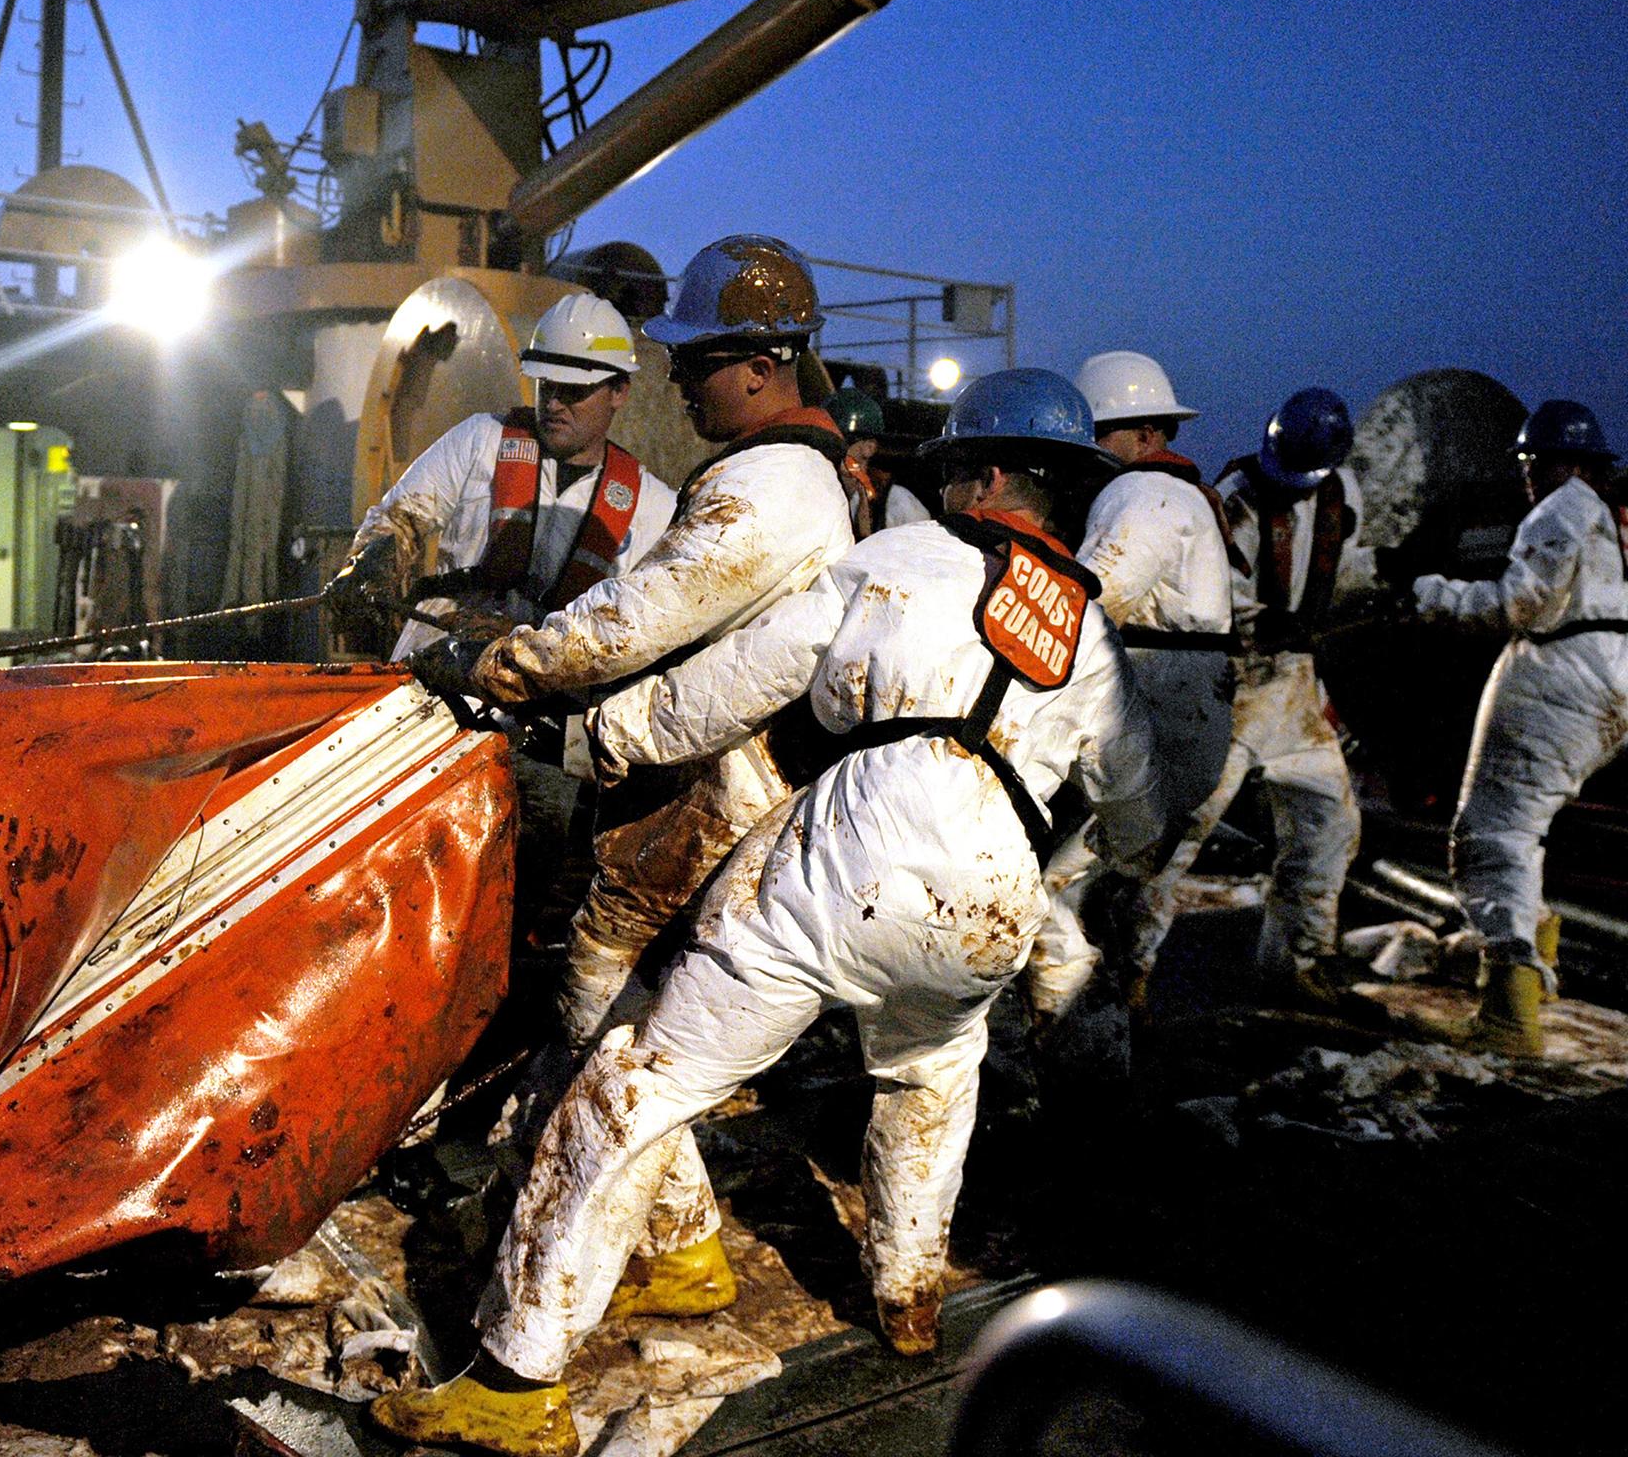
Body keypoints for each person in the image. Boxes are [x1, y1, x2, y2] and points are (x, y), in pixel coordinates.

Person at [372, 369, 1161, 1456]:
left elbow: (732, 686)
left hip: (847, 863)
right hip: (993, 889)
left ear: (972, 473)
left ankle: (512, 1386)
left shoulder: (895, 559)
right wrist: (1096, 860)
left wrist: (594, 740)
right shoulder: (1088, 630)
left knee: (631, 1089)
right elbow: (1135, 805)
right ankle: (905, 1304)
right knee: (929, 1080)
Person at [410, 231, 854, 1296]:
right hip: (704, 774)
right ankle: (681, 1236)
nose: (677, 380)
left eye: (696, 363)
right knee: (624, 1022)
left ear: (762, 364)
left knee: (601, 1010)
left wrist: (497, 660)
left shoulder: (770, 488)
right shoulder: (783, 476)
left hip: (720, 786)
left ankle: (602, 1265)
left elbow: (631, 619)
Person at [1404, 400, 1627, 1053]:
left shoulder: (1565, 507)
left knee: (1493, 834)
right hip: (1615, 679)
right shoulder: (1615, 517)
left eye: (1537, 462)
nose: (1528, 475)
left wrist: (1428, 594)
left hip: (1562, 678)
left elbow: (1519, 603)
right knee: (1528, 830)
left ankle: (1509, 1012)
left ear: (1572, 463)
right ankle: (1537, 979)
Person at [1136, 387, 1370, 997]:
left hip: (1293, 688)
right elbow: (1212, 589)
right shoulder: (1238, 496)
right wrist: (1257, 617)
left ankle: (1297, 963)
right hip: (1233, 685)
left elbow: (1344, 573)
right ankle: (1128, 968)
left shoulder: (1342, 498)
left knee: (1330, 824)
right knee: (1182, 832)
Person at [1027, 351, 1236, 1018]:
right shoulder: (1184, 497)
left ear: (1145, 437)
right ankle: (1109, 1023)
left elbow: (1089, 600)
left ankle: (1062, 1037)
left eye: (1098, 435)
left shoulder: (1141, 492)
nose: (1086, 453)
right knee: (1114, 883)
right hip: (1186, 706)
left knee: (1050, 889)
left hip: (1151, 704)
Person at [328, 292, 673, 658]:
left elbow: (643, 627)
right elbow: (397, 519)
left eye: (573, 390)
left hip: (546, 699)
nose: (554, 403)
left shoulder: (654, 508)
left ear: (618, 392)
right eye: (546, 385)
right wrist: (368, 564)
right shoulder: (480, 439)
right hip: (431, 668)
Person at [827, 386, 931, 536]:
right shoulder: (820, 493)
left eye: (842, 442)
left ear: (869, 447)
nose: (833, 451)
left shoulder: (899, 504)